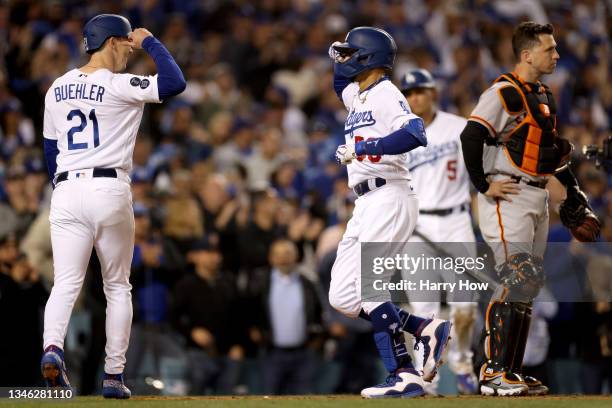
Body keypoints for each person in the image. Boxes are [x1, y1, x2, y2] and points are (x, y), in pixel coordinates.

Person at [40, 14, 185, 398]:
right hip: (108, 187)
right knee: (117, 286)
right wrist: (151, 42)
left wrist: (63, 185)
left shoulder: (56, 88)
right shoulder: (119, 84)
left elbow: (51, 149)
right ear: (112, 42)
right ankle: (114, 377)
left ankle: (52, 348)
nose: (129, 51)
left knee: (66, 283)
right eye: (125, 44)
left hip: (67, 190)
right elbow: (174, 83)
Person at [459, 21, 600, 396]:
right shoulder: (505, 92)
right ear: (527, 54)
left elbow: (550, 153)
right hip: (508, 194)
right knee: (516, 276)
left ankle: (510, 372)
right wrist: (483, 183)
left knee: (528, 284)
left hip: (535, 194)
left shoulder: (542, 94)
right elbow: (471, 135)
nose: (556, 54)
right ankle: (492, 372)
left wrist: (573, 193)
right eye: (549, 49)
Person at [328, 26, 452, 398]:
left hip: (389, 195)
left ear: (368, 58)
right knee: (343, 297)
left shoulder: (384, 93)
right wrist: (338, 54)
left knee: (370, 289)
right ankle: (423, 328)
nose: (345, 59)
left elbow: (415, 133)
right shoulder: (359, 96)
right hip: (366, 202)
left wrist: (366, 147)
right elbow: (339, 83)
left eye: (352, 54)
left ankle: (403, 373)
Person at [399, 68, 479, 395]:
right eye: (410, 92)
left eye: (421, 91)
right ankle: (426, 377)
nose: (415, 97)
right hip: (417, 227)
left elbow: (481, 172)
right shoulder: (398, 135)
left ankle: (462, 362)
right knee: (423, 308)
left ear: (433, 92)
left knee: (465, 305)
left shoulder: (459, 127)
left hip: (456, 220)